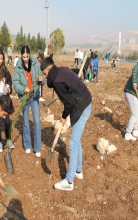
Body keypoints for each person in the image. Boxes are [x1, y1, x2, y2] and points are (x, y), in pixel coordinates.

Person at [40, 57, 92, 191]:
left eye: (45, 73)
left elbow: (68, 103)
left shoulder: (57, 82)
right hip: (84, 102)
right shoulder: (61, 70)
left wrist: (63, 117)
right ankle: (78, 171)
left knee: (73, 143)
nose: (45, 77)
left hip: (81, 107)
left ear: (49, 69)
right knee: (77, 139)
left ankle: (69, 181)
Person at [13, 46, 45, 157]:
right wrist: (22, 89)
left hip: (34, 96)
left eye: (27, 56)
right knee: (26, 122)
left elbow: (43, 76)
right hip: (24, 98)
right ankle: (27, 145)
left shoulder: (36, 64)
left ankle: (37, 148)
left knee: (36, 121)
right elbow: (15, 83)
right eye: (23, 57)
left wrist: (42, 80)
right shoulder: (18, 67)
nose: (25, 58)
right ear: (21, 56)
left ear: (29, 54)